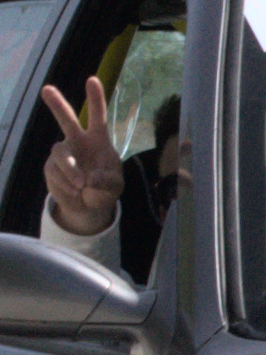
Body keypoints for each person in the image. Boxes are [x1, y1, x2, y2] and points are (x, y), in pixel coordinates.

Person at [41, 75, 182, 280]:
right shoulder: (162, 303)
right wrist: (82, 220)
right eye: (176, 189)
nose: (211, 204)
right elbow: (85, 301)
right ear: (163, 214)